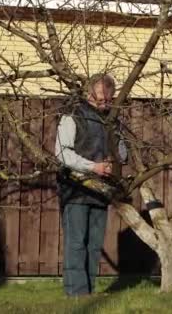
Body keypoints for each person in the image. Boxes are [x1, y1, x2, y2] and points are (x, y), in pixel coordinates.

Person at [55, 73, 126, 296]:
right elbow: (62, 153)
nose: (105, 104)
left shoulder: (112, 121)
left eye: (108, 99)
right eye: (100, 99)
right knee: (76, 244)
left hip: (101, 191)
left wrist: (114, 161)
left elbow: (123, 152)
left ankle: (88, 292)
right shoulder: (72, 115)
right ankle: (76, 295)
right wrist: (93, 167)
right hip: (75, 189)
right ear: (88, 94)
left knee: (94, 245)